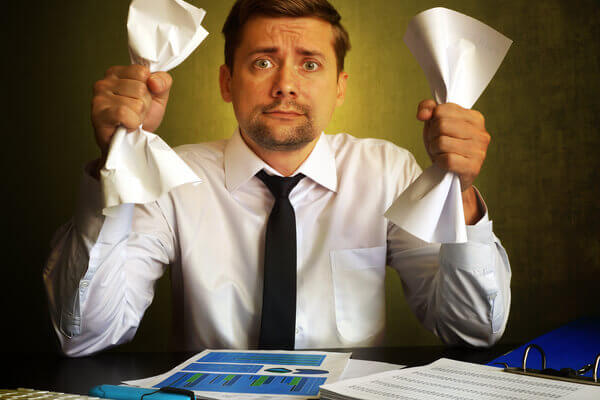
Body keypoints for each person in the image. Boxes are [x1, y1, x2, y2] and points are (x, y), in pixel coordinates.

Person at [44, 0, 511, 357]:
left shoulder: (388, 172)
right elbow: (86, 336)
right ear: (228, 83)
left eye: (310, 63)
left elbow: (471, 329)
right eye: (262, 62)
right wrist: (119, 160)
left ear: (340, 87)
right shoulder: (173, 179)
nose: (285, 84)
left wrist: (461, 192)